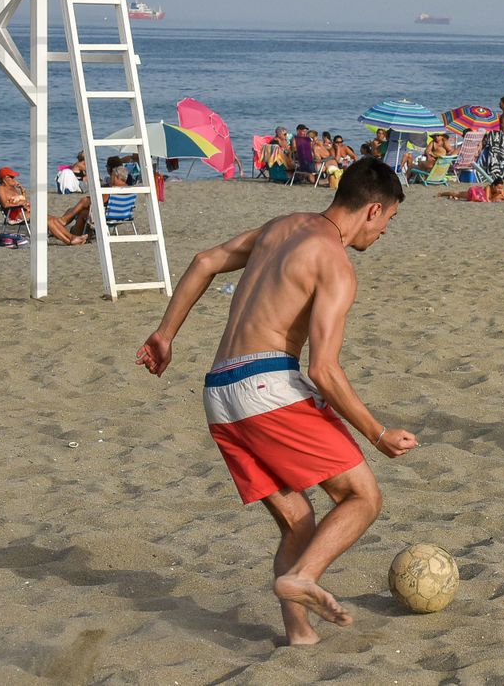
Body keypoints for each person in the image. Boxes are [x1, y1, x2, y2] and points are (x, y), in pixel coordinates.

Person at [135, 159, 414, 646]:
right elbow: (323, 370)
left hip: (219, 394)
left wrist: (165, 334)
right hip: (267, 388)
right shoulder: (334, 262)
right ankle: (304, 578)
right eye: (389, 220)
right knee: (362, 496)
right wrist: (377, 432)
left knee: (298, 522)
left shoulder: (281, 226)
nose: (386, 230)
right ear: (373, 209)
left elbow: (204, 260)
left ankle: (299, 635)